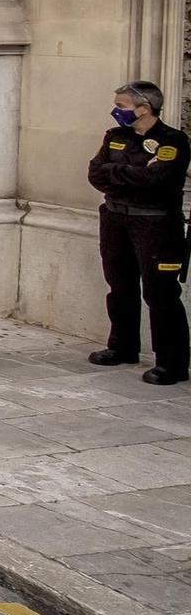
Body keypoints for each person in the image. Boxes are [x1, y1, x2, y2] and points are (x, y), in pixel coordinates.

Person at [87, 79, 190, 385]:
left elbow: (157, 180)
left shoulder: (172, 141)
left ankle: (171, 363)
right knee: (119, 285)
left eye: (121, 105)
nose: (115, 111)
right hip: (115, 218)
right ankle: (122, 346)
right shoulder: (115, 136)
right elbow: (95, 173)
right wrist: (135, 173)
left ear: (144, 108)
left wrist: (117, 173)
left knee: (161, 293)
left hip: (156, 224)